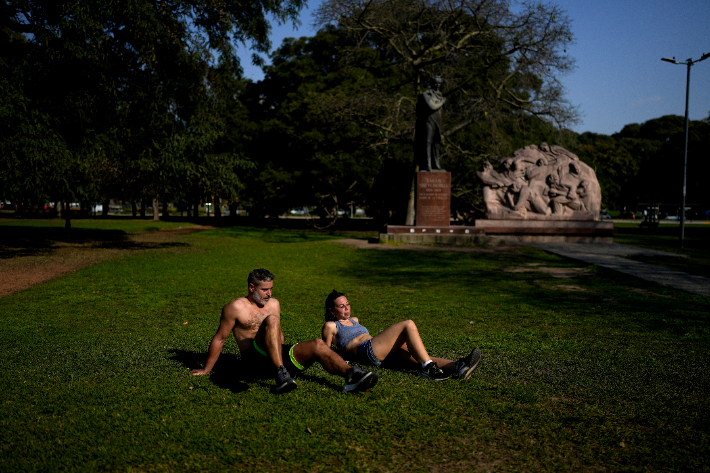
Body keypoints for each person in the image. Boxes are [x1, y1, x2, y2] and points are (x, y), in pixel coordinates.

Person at [191, 269, 378, 394]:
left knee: (317, 344)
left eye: (271, 289)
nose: (269, 294)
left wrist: (285, 352)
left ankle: (352, 375)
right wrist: (207, 369)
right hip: (254, 360)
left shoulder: (274, 303)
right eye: (264, 290)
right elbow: (220, 338)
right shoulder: (235, 308)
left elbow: (278, 335)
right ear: (251, 287)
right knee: (271, 319)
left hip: (276, 354)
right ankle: (280, 373)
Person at [321, 290, 481, 381]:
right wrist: (345, 359)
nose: (347, 308)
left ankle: (459, 366)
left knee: (420, 357)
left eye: (347, 304)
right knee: (408, 324)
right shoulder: (331, 326)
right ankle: (428, 370)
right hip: (366, 351)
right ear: (331, 310)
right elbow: (325, 351)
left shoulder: (354, 320)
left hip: (379, 350)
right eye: (341, 306)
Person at [415, 75, 446, 172]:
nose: (437, 85)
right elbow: (431, 106)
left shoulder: (440, 95)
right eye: (435, 83)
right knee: (427, 142)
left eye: (439, 83)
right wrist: (442, 102)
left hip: (438, 122)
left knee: (436, 143)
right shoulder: (426, 94)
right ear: (431, 83)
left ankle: (436, 165)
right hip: (428, 121)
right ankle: (427, 165)